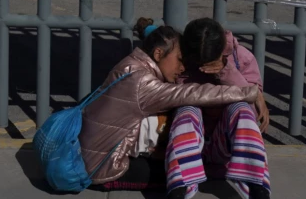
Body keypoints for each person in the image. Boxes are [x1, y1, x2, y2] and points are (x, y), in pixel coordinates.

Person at [80, 18, 262, 193]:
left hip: (98, 153)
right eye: (180, 60)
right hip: (101, 168)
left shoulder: (135, 63)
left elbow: (161, 39)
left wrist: (228, 71)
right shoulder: (143, 82)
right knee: (181, 172)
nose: (182, 68)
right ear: (159, 53)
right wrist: (252, 92)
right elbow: (191, 94)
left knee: (181, 167)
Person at [167, 18, 271, 199]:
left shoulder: (241, 58)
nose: (204, 68)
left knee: (241, 108)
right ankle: (180, 187)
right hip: (190, 146)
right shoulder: (179, 59)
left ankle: (256, 185)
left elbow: (254, 110)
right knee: (187, 110)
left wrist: (225, 71)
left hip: (224, 148)